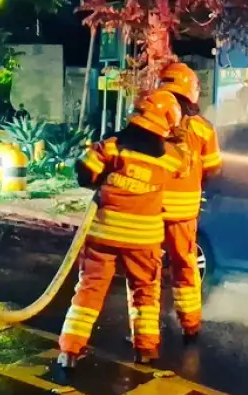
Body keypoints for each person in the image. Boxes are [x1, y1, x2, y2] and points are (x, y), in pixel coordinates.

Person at [57, 90, 183, 370]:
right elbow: (179, 171)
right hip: (144, 239)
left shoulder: (112, 147)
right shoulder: (170, 159)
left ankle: (69, 351)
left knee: (89, 290)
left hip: (105, 233)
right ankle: (146, 349)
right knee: (145, 292)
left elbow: (84, 173)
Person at [157, 62, 222, 344]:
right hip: (183, 214)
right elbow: (213, 169)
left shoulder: (150, 122)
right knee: (185, 268)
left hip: (149, 210)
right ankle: (191, 325)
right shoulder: (203, 129)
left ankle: (146, 336)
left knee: (146, 273)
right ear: (192, 91)